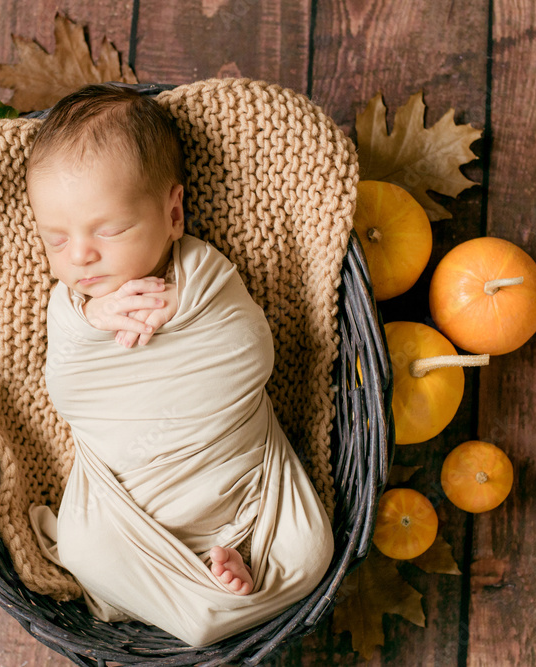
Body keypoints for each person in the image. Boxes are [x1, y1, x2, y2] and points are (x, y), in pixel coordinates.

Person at [25, 84, 333, 647]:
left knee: (313, 552)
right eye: (55, 240)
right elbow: (67, 390)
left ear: (173, 213)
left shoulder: (204, 275)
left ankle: (219, 586)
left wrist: (186, 312)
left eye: (109, 229)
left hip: (244, 492)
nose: (80, 255)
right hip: (127, 511)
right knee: (80, 544)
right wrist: (94, 322)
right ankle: (217, 598)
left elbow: (252, 354)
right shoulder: (70, 311)